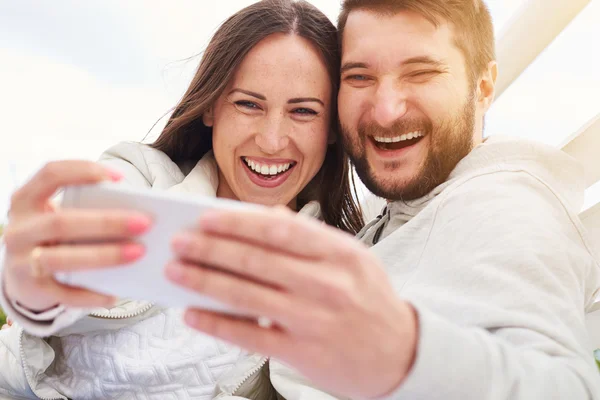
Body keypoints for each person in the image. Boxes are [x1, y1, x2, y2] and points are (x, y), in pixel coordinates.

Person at [147, 1, 600, 399]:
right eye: (359, 77)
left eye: (421, 73)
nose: (386, 110)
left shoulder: (506, 206)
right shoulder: (393, 215)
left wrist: (407, 354)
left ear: (483, 87)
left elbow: (562, 386)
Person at [0, 1, 363, 399]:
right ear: (210, 106)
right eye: (248, 104)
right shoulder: (136, 175)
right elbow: (60, 292)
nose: (272, 140)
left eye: (304, 111)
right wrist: (35, 287)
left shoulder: (341, 269)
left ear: (332, 128)